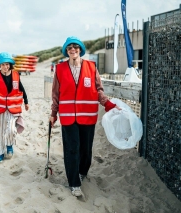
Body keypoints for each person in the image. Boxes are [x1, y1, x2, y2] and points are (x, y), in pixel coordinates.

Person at [50, 36, 120, 197]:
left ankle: (82, 172)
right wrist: (53, 114)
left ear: (80, 49)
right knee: (72, 149)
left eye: (75, 47)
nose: (72, 50)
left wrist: (107, 103)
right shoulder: (60, 69)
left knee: (86, 150)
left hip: (88, 116)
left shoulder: (91, 67)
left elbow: (98, 89)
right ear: (66, 51)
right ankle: (74, 183)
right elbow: (56, 94)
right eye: (69, 48)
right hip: (68, 116)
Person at [0, 52, 29, 164]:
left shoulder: (15, 75)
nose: (5, 67)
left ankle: (9, 144)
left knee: (11, 129)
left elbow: (22, 89)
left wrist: (26, 102)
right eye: (3, 64)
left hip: (12, 108)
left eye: (7, 64)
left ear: (10, 65)